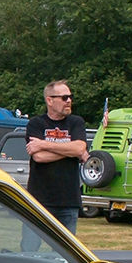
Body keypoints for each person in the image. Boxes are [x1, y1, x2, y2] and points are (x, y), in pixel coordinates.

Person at [23, 79, 88, 248]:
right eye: (64, 97)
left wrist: (44, 144)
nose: (69, 101)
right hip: (39, 200)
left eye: (70, 97)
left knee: (67, 253)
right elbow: (39, 157)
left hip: (69, 201)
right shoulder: (36, 124)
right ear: (50, 100)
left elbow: (80, 148)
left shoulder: (76, 122)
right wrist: (70, 151)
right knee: (29, 249)